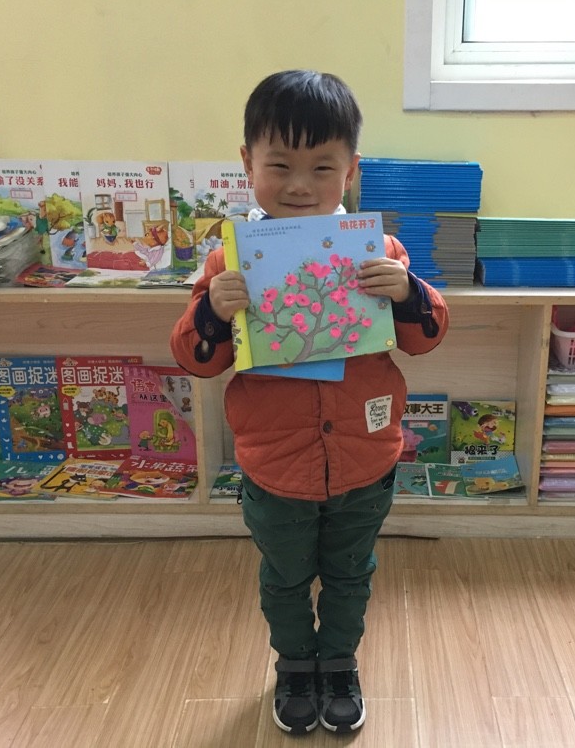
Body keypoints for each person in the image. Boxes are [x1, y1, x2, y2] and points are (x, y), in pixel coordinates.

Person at [170, 69, 449, 735]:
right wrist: (212, 311)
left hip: (364, 461)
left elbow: (426, 337)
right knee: (285, 577)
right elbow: (196, 359)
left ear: (350, 171)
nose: (300, 184)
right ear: (248, 163)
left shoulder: (378, 252)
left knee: (351, 574)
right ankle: (296, 664)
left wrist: (407, 292)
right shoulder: (228, 262)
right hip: (275, 469)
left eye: (322, 167)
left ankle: (340, 662)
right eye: (280, 165)